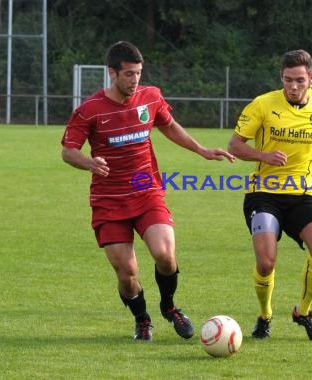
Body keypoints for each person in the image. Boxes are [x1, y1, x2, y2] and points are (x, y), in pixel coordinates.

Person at [61, 41, 235, 341]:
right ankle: (142, 319)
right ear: (112, 73)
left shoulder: (150, 97)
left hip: (147, 192)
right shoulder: (89, 111)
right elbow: (68, 151)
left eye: (138, 73)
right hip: (109, 201)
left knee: (166, 256)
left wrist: (202, 150)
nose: (135, 79)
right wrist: (88, 162)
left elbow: (169, 126)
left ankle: (169, 307)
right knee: (128, 276)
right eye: (128, 74)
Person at [228, 49, 312, 341]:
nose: (293, 86)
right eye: (288, 80)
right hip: (263, 193)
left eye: (300, 80)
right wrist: (263, 154)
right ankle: (265, 315)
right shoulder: (263, 105)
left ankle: (303, 311)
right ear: (281, 77)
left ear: (311, 79)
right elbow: (235, 145)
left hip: (302, 195)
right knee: (266, 262)